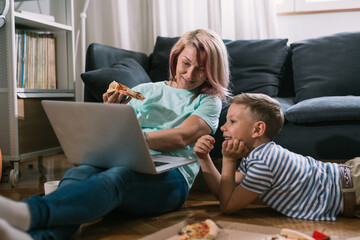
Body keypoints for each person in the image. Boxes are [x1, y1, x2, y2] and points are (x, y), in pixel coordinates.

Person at [0, 28, 230, 240]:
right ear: (176, 56)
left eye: (201, 69)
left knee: (117, 177)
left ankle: (28, 213)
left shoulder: (209, 101)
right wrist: (111, 111)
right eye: (186, 63)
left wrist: (137, 141)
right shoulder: (143, 91)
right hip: (125, 159)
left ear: (212, 72)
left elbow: (182, 136)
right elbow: (116, 130)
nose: (190, 74)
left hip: (172, 177)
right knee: (78, 173)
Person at [194, 92, 360, 221]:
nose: (223, 127)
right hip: (350, 179)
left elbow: (227, 206)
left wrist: (229, 160)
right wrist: (204, 157)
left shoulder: (264, 163)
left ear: (257, 130)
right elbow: (226, 191)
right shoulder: (258, 156)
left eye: (232, 121)